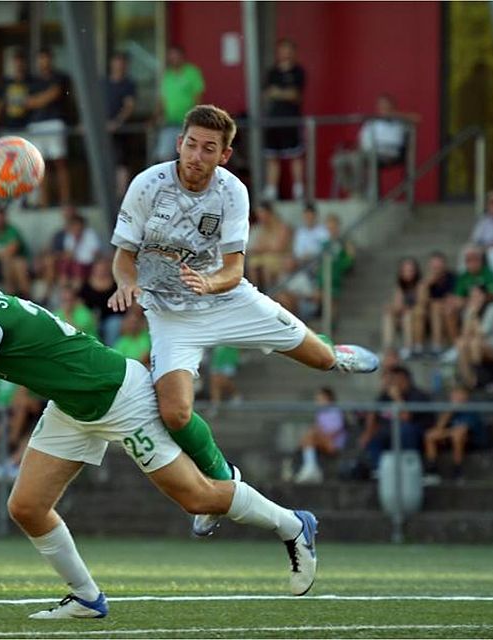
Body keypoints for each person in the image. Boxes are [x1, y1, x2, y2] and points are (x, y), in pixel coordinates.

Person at [0, 271, 320, 617]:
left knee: (198, 496)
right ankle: (85, 596)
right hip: (73, 405)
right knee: (27, 506)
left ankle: (293, 524)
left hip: (117, 396)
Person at [107, 104, 378, 537]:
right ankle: (218, 480)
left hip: (229, 300)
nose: (196, 155)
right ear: (179, 143)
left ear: (224, 155)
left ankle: (334, 353)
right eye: (191, 145)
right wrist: (127, 284)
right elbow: (123, 257)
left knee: (321, 362)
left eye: (208, 148)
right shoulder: (147, 185)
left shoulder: (232, 192)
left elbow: (234, 269)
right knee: (175, 413)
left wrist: (208, 284)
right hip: (172, 316)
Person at [331, 95, 415, 199]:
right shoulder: (372, 122)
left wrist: (394, 115)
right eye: (382, 107)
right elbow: (361, 140)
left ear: (393, 107)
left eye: (387, 107)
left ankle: (358, 193)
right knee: (338, 160)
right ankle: (352, 189)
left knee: (357, 158)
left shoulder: (400, 122)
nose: (384, 110)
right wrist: (357, 148)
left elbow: (417, 119)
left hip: (388, 153)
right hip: (367, 151)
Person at [25, 48, 71, 207]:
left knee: (60, 162)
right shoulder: (32, 80)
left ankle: (65, 200)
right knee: (41, 165)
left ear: (51, 59)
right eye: (40, 58)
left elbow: (54, 94)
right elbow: (26, 102)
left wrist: (37, 100)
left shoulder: (60, 77)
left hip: (54, 123)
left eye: (46, 58)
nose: (43, 62)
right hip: (36, 125)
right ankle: (44, 202)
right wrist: (41, 99)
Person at [262, 39, 306, 201]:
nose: (285, 53)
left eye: (288, 50)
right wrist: (282, 93)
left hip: (291, 120)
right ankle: (271, 190)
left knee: (295, 155)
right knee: (272, 157)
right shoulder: (272, 72)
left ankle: (299, 190)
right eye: (282, 50)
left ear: (293, 52)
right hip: (273, 120)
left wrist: (278, 92)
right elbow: (266, 93)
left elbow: (295, 95)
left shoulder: (298, 72)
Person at [152, 47, 204, 163]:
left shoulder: (192, 72)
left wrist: (196, 119)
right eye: (171, 56)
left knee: (188, 155)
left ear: (182, 57)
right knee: (164, 156)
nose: (173, 59)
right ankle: (170, 181)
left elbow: (198, 97)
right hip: (169, 123)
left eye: (176, 56)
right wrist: (154, 117)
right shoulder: (167, 76)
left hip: (187, 123)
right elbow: (163, 99)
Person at [423, 386, 483, 482]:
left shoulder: (471, 410)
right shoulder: (449, 410)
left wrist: (445, 433)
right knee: (430, 435)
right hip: (450, 438)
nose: (457, 397)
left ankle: (458, 469)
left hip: (470, 441)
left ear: (466, 396)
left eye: (460, 394)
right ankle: (432, 470)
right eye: (454, 394)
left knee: (457, 435)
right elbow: (439, 428)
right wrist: (450, 411)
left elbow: (463, 429)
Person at [293, 387, 346, 484]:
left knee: (310, 435)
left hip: (333, 444)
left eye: (320, 399)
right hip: (323, 441)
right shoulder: (320, 414)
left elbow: (334, 432)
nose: (317, 402)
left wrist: (317, 434)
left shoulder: (335, 411)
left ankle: (311, 468)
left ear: (328, 399)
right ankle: (310, 467)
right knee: (309, 437)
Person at [104, 52, 137, 198]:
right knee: (104, 160)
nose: (119, 66)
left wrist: (117, 122)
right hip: (103, 129)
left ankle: (120, 194)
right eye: (117, 62)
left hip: (122, 129)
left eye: (122, 63)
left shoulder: (129, 84)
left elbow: (129, 106)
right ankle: (105, 192)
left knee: (121, 161)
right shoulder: (103, 83)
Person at [381, 258, 423, 359]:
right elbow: (397, 305)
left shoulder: (421, 285)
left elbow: (422, 304)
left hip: (418, 318)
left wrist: (406, 309)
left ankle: (408, 347)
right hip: (404, 316)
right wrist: (391, 308)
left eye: (410, 270)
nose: (408, 273)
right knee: (388, 315)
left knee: (408, 315)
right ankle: (388, 349)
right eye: (405, 270)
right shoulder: (399, 286)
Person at [417, 251, 455, 355]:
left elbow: (451, 298)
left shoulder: (452, 278)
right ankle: (417, 346)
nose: (437, 268)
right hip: (427, 315)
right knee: (418, 311)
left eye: (439, 264)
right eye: (434, 265)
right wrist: (427, 284)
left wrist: (435, 302)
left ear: (444, 265)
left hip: (446, 311)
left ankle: (437, 345)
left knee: (436, 307)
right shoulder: (426, 281)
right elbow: (421, 302)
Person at [470, 190, 493, 276]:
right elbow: (475, 238)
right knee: (467, 251)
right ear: (487, 205)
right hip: (484, 248)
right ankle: (466, 283)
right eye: (492, 203)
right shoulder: (483, 220)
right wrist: (481, 247)